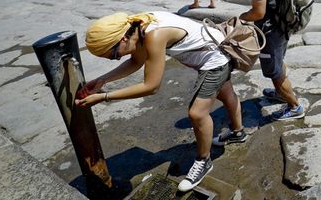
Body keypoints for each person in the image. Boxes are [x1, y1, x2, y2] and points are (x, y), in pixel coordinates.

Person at [75, 11, 244, 192]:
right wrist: (103, 80)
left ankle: (204, 161)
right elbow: (136, 61)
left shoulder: (153, 35)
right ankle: (238, 133)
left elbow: (151, 86)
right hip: (214, 46)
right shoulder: (137, 26)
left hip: (215, 59)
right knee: (226, 94)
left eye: (114, 55)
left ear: (123, 39)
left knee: (197, 113)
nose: (118, 58)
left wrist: (104, 97)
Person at [231, 0, 305, 121]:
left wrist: (242, 17)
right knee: (279, 61)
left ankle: (294, 106)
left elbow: (258, 12)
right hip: (286, 21)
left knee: (275, 72)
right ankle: (281, 94)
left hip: (270, 29)